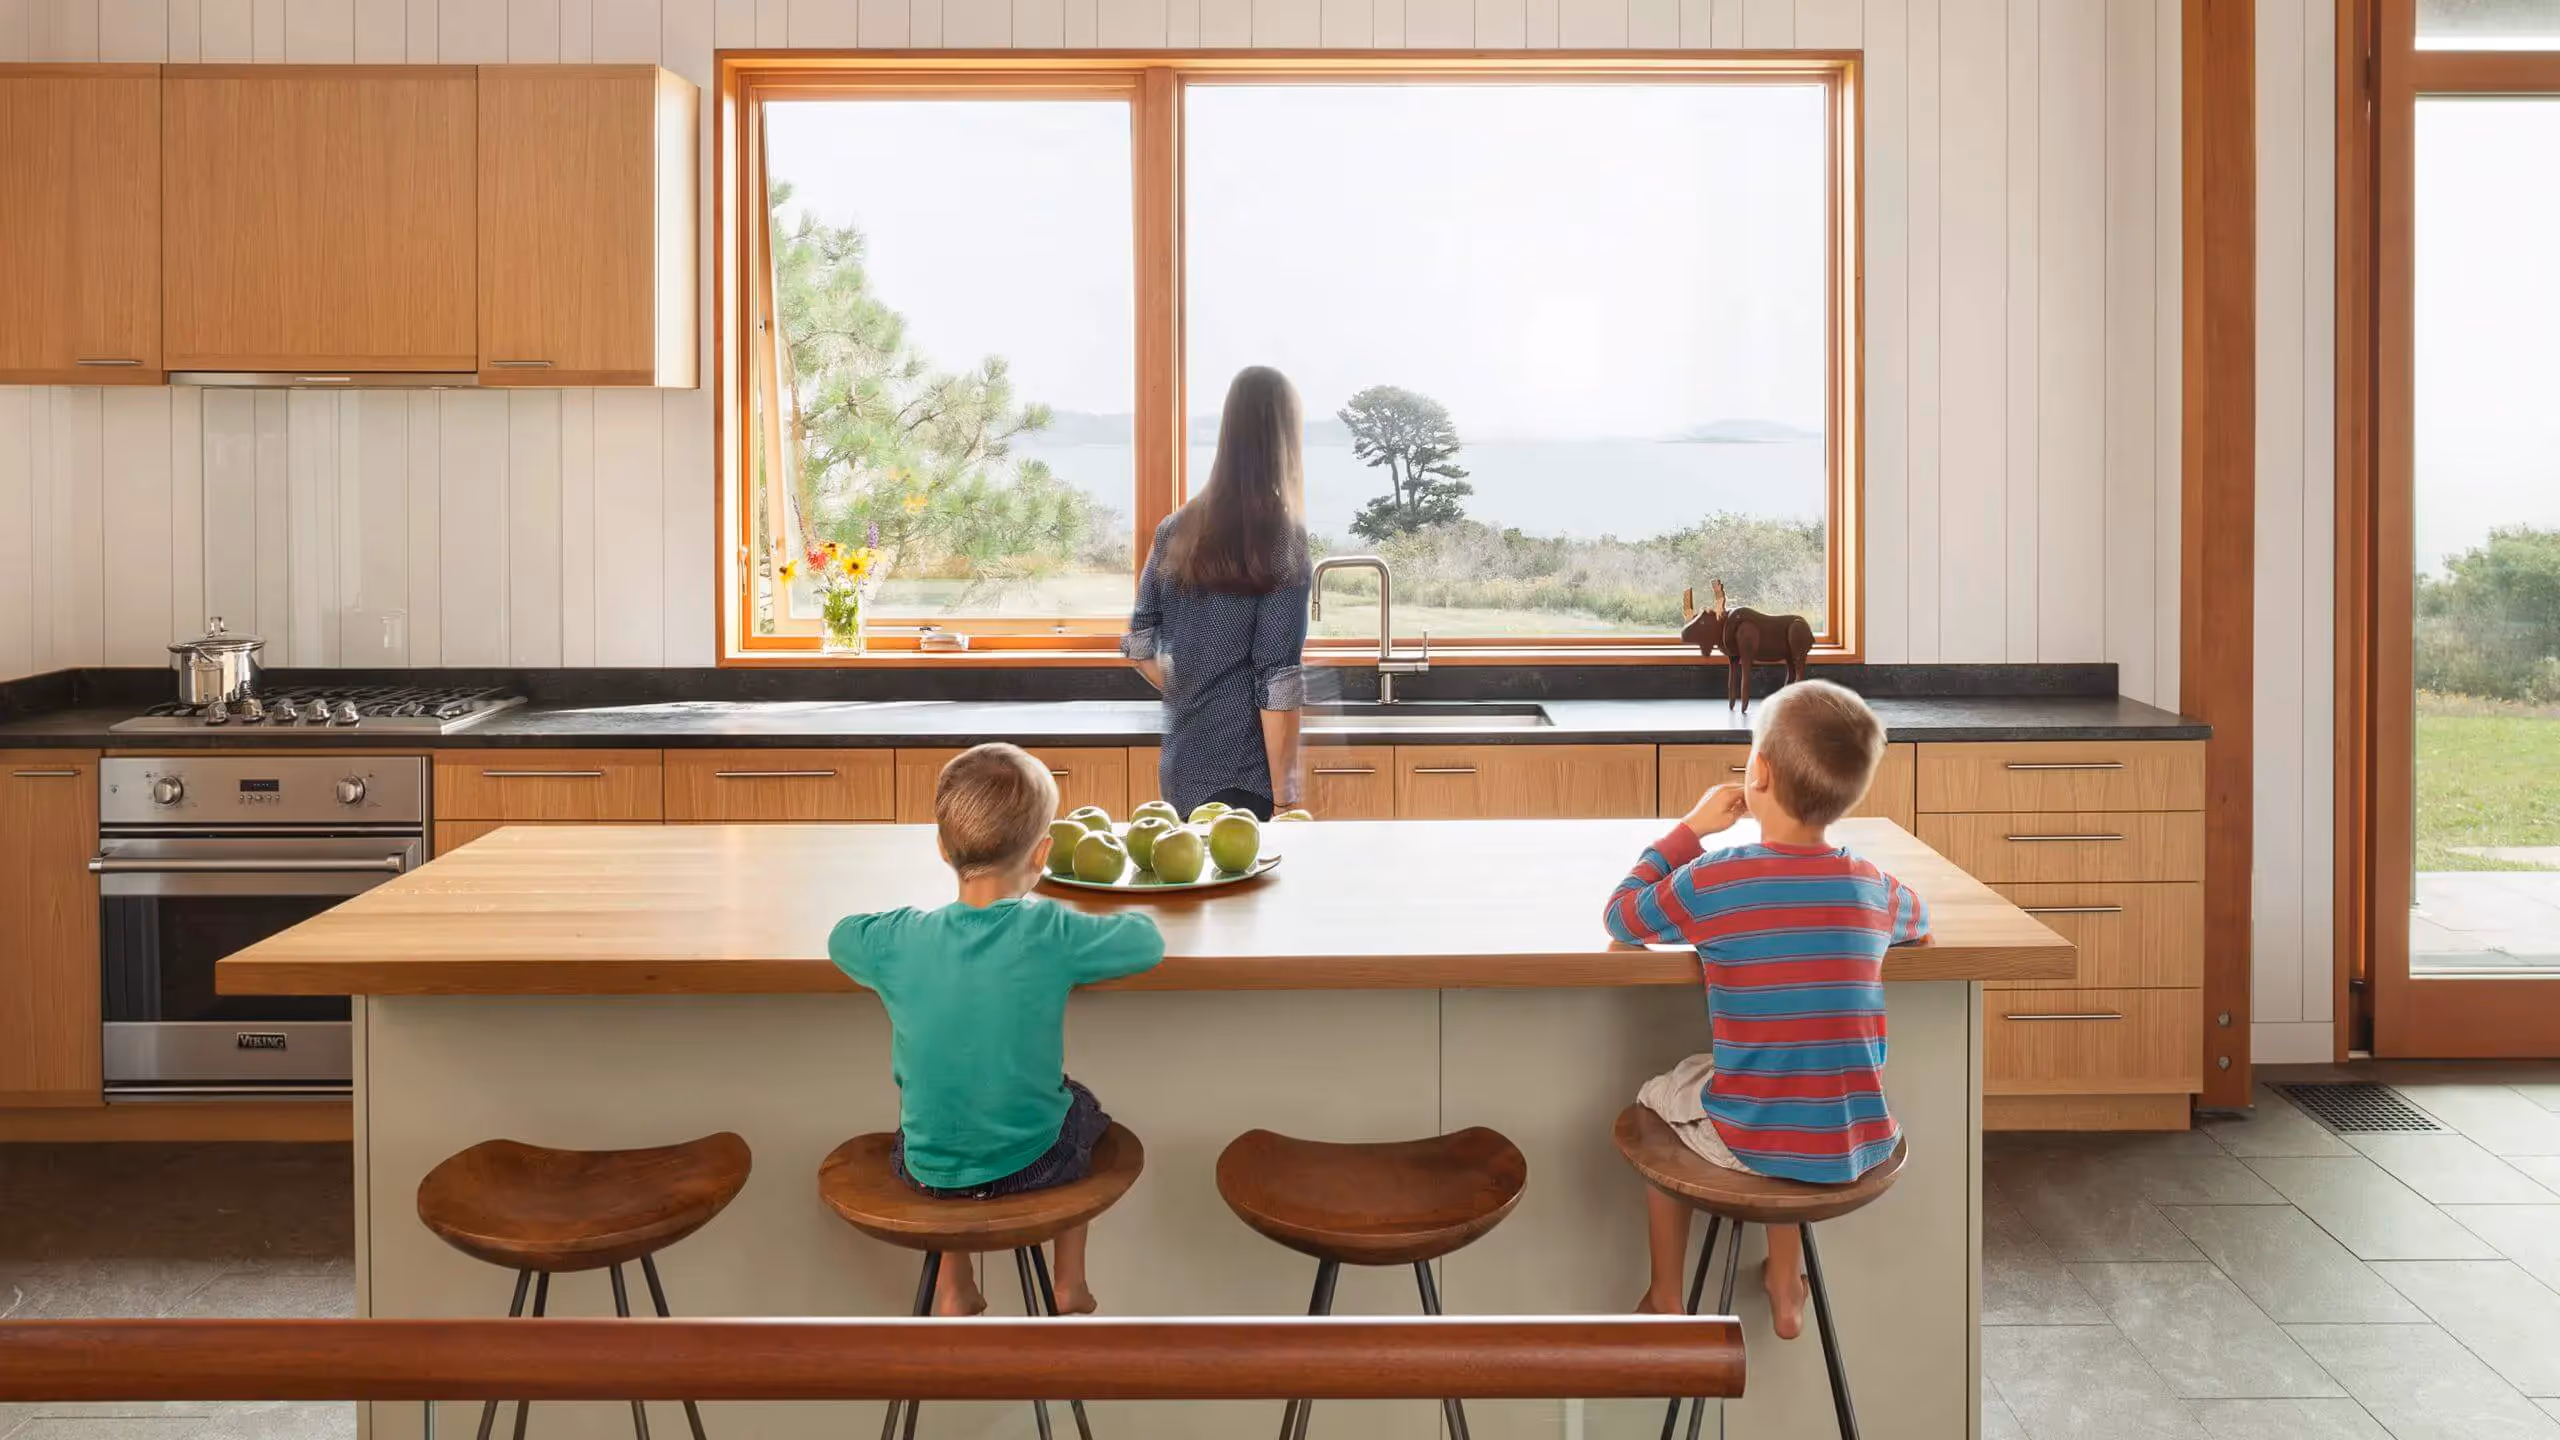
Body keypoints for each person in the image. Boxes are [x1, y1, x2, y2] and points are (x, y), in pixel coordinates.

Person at [1600, 680, 1930, 1338]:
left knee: (1653, 1099)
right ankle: (1784, 1282)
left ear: (1759, 774)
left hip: (1753, 1141)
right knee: (1791, 1078)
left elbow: (1622, 915)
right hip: (1857, 1137)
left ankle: (1666, 1295)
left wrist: (1691, 829)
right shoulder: (1870, 885)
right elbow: (1917, 918)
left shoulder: (1715, 879)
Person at [828, 743, 1164, 1317]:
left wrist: (901, 922)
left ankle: (953, 1284)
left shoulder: (901, 940)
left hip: (925, 1171)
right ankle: (1068, 1284)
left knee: (939, 1116)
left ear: (940, 848)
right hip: (1034, 1164)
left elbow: (842, 935)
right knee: (1078, 1104)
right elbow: (1145, 941)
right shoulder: (1052, 930)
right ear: (1043, 855)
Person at [1122, 365, 1312, 820]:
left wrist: (1196, 688)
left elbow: (1139, 646)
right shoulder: (1282, 539)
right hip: (1247, 778)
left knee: (1194, 887)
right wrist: (1286, 801)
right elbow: (1277, 682)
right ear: (1285, 438)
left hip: (1182, 770)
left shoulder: (1174, 528)